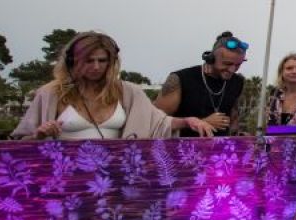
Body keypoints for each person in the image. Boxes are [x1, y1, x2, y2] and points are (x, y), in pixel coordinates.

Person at [14, 31, 213, 140]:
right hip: (65, 180)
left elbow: (159, 123)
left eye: (102, 60)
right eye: (89, 60)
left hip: (114, 178)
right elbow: (20, 144)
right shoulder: (51, 93)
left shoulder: (128, 92)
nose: (96, 67)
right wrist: (39, 135)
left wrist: (188, 121)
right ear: (72, 61)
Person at [154, 31, 248, 136]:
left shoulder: (237, 82)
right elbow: (156, 122)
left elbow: (233, 116)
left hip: (219, 150)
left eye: (238, 65)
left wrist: (237, 135)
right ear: (211, 58)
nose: (232, 69)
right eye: (227, 63)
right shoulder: (180, 79)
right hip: (182, 149)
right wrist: (201, 122)